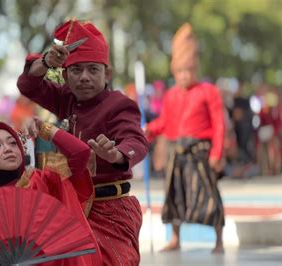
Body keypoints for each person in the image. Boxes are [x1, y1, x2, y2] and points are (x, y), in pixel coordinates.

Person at [17, 19, 148, 265]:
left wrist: (117, 155)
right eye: (76, 71)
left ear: (107, 74)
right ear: (65, 76)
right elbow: (27, 85)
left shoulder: (119, 104)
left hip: (110, 210)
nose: (84, 77)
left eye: (93, 70)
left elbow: (136, 141)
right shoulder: (66, 98)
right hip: (70, 206)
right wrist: (46, 61)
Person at [0, 115, 101, 266]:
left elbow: (80, 153)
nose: (8, 149)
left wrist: (46, 129)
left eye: (13, 143)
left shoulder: (42, 182)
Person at [145, 23, 225, 253]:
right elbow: (164, 123)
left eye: (188, 70)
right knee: (174, 195)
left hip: (200, 150)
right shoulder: (170, 95)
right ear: (174, 71)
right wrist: (148, 129)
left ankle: (218, 239)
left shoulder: (209, 91)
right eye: (180, 71)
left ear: (195, 69)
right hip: (176, 150)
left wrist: (217, 152)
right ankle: (175, 238)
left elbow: (219, 125)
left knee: (209, 194)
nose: (184, 75)